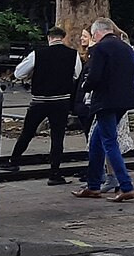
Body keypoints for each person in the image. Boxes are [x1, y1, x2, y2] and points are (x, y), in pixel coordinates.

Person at [6, 28, 81, 185]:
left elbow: (19, 73)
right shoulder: (72, 54)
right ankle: (54, 173)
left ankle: (14, 161)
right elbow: (76, 74)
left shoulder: (37, 54)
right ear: (63, 38)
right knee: (57, 137)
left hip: (40, 99)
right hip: (61, 100)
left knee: (27, 132)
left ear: (49, 38)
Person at [74, 19, 134, 202]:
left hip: (105, 101)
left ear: (96, 34)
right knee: (96, 140)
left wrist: (85, 87)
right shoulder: (126, 48)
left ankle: (126, 186)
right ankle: (93, 185)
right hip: (124, 99)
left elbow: (95, 76)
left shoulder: (101, 49)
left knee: (109, 141)